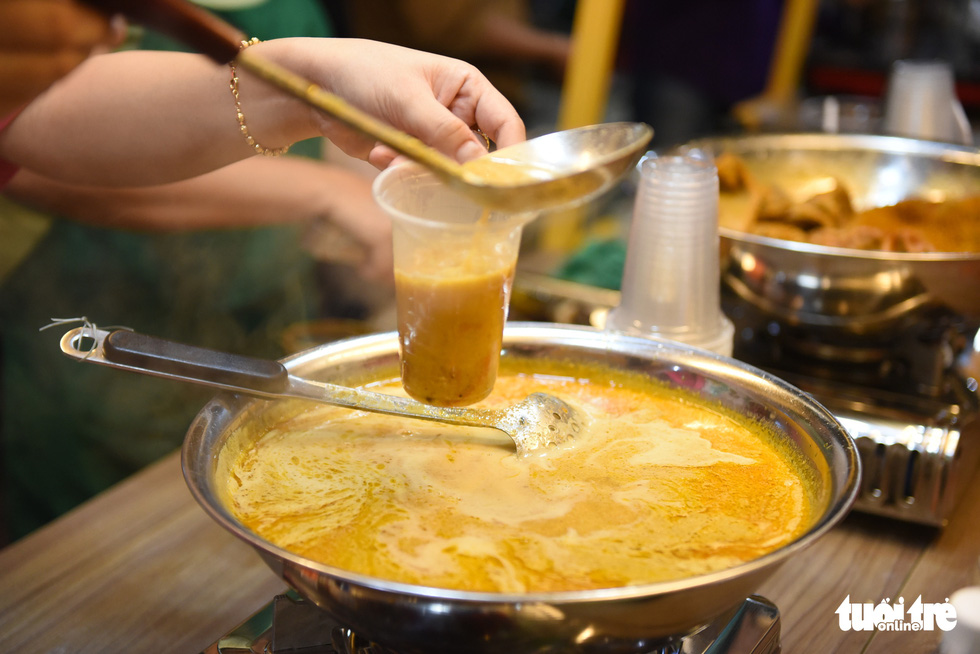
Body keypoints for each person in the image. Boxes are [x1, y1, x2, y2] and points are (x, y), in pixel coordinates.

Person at [0, 2, 527, 542]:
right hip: (94, 365)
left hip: (259, 334)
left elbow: (34, 108)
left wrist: (329, 97)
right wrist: (321, 179)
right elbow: (27, 126)